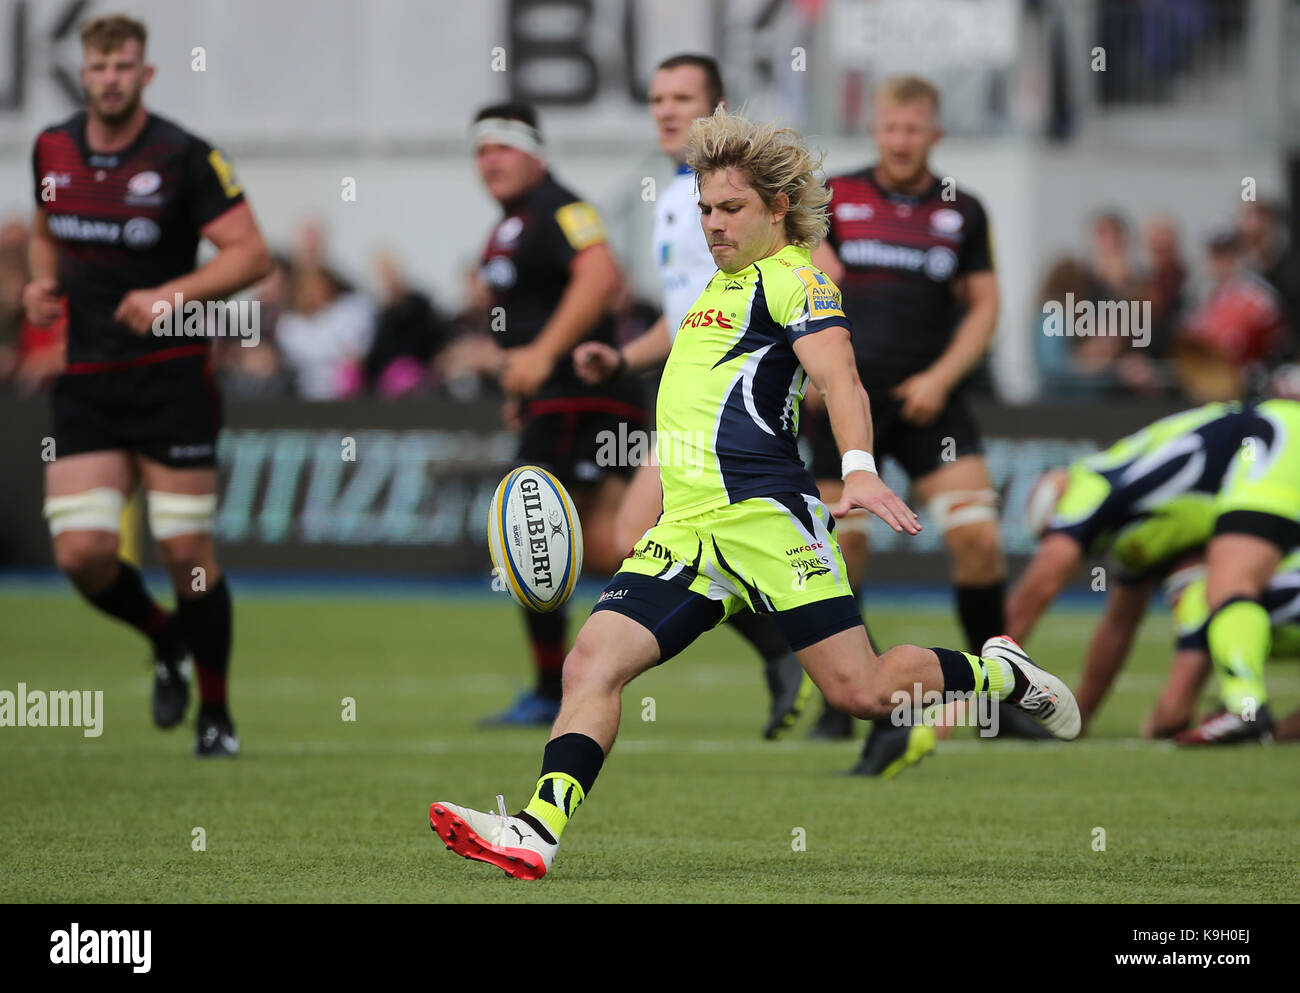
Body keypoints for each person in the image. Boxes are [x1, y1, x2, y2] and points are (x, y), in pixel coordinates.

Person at [429, 108, 1080, 880]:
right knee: (590, 665)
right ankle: (536, 830)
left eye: (730, 208)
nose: (713, 223)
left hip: (767, 521)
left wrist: (862, 464)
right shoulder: (720, 286)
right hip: (689, 527)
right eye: (704, 209)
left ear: (776, 208)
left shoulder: (798, 278)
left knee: (862, 691)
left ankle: (999, 671)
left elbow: (839, 375)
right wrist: (620, 359)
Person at [25, 15, 271, 755]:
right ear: (83, 72)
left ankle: (218, 714)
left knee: (185, 550)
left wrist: (175, 294)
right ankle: (165, 639)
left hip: (172, 380)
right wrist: (42, 282)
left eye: (123, 66)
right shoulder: (52, 147)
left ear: (145, 72)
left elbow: (251, 254)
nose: (110, 79)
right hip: (90, 381)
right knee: (82, 553)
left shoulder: (184, 155)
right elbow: (44, 225)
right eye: (98, 67)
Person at [807, 74, 1047, 772]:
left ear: (934, 133)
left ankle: (999, 700)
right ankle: (842, 699)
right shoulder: (836, 199)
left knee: (977, 540)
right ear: (876, 128)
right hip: (847, 400)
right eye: (891, 127)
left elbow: (985, 306)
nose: (902, 140)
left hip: (931, 405)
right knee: (838, 555)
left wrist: (942, 378)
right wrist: (822, 374)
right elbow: (812, 287)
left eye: (914, 129)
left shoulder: (962, 209)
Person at [572, 53, 810, 739]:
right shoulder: (677, 200)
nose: (668, 111)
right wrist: (621, 356)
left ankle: (830, 673)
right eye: (657, 99)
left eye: (683, 98)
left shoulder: (744, 195)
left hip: (745, 403)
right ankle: (796, 657)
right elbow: (682, 319)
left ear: (719, 108)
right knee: (639, 535)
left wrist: (815, 362)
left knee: (804, 552)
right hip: (687, 406)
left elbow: (815, 275)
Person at [469, 103, 647, 726]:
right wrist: (522, 392)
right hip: (558, 399)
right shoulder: (513, 224)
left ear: (537, 154)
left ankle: (550, 689)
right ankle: (769, 639)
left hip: (582, 394)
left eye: (504, 147)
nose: (490, 159)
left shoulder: (558, 206)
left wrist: (543, 357)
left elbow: (601, 275)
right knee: (608, 546)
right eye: (481, 149)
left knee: (525, 529)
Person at [1010, 399, 1300, 742]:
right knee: (1208, 595)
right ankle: (1248, 715)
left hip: (1273, 439)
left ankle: (1246, 708)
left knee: (1229, 586)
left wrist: (976, 678)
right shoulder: (1136, 530)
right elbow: (1117, 627)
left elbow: (1042, 583)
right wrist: (1077, 719)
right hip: (1274, 446)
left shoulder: (1090, 482)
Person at [1143, 552, 1300, 743]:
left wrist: (1153, 726)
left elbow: (1173, 715)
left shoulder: (1198, 594)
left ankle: (1245, 709)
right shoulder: (1266, 564)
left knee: (1248, 710)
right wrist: (1273, 735)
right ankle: (1247, 715)